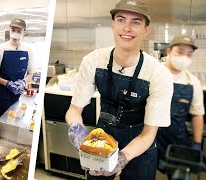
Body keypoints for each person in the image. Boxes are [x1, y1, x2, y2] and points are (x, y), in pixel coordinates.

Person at [65, 0, 174, 179]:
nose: (127, 28)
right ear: (113, 25)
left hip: (140, 143)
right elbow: (74, 110)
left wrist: (122, 158)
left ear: (146, 30)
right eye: (121, 20)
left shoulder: (158, 74)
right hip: (101, 137)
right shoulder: (93, 61)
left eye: (136, 22)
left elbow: (149, 133)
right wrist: (78, 133)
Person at [157, 35, 205, 178]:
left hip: (177, 140)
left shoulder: (192, 82)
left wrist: (197, 144)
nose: (184, 57)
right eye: (180, 51)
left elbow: (197, 114)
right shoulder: (154, 73)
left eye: (189, 54)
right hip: (150, 137)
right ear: (169, 52)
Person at [0, 18, 35, 120]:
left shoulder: (28, 50)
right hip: (1, 96)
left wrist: (23, 82)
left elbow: (31, 73)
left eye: (19, 31)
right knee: (0, 122)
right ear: (9, 29)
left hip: (18, 95)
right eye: (13, 30)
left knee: (14, 120)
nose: (15, 33)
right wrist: (8, 84)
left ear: (24, 32)